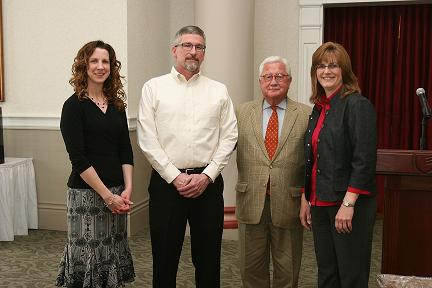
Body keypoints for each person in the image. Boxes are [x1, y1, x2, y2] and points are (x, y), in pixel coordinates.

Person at [137, 25, 238, 287]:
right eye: (187, 46)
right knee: (165, 259)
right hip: (166, 186)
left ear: (204, 53)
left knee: (208, 261)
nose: (193, 52)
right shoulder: (153, 88)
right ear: (174, 50)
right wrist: (175, 177)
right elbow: (148, 139)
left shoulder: (219, 90)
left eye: (199, 47)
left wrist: (207, 176)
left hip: (208, 186)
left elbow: (229, 137)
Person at [56, 40, 135, 287]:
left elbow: (125, 149)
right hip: (86, 195)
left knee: (111, 253)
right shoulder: (73, 107)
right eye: (94, 61)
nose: (100, 66)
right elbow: (78, 158)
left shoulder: (117, 105)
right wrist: (106, 196)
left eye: (106, 62)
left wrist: (127, 188)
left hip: (117, 193)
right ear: (84, 66)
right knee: (88, 259)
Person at [300, 42, 377, 288]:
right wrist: (307, 197)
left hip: (348, 206)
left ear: (344, 70)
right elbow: (313, 158)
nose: (326, 71)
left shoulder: (357, 105)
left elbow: (363, 160)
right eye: (320, 66)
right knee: (328, 274)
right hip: (321, 203)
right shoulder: (319, 108)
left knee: (351, 276)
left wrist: (348, 203)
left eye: (333, 65)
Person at [236, 56, 311, 288]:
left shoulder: (307, 114)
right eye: (268, 76)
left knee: (287, 271)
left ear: (289, 80)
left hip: (290, 203)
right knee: (251, 270)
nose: (273, 81)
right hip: (251, 201)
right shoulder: (241, 112)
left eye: (279, 76)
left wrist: (308, 196)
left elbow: (314, 161)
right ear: (260, 81)